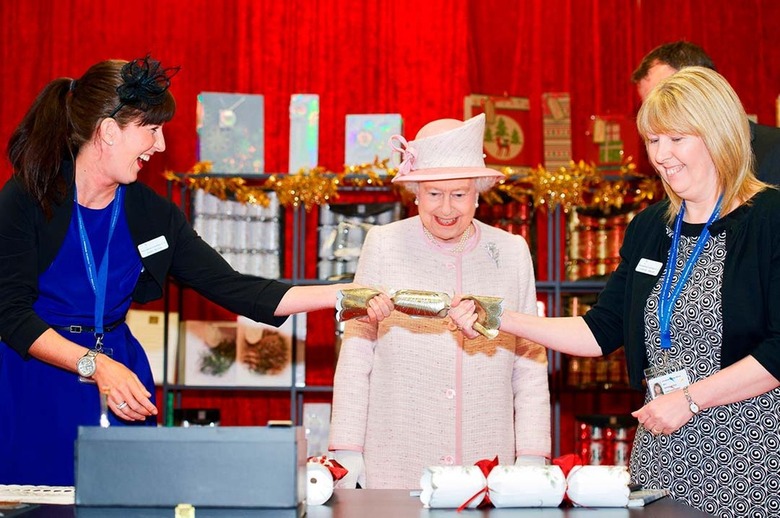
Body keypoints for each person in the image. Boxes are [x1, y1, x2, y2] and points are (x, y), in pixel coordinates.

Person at [0, 55, 392, 487]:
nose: (161, 145)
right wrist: (95, 365)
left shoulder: (153, 215)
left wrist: (343, 293)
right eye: (152, 129)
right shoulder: (27, 197)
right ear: (109, 131)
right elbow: (10, 313)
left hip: (123, 384)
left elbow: (234, 287)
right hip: (36, 377)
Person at [451, 67, 780, 518]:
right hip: (662, 452)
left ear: (718, 135)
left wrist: (690, 399)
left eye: (676, 139)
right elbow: (600, 330)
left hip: (750, 455)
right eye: (653, 140)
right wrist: (499, 317)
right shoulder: (650, 227)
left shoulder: (770, 219)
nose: (661, 155)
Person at [328, 113, 551, 490]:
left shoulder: (512, 251)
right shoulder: (383, 244)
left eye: (459, 195)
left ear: (478, 194)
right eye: (434, 194)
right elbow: (357, 352)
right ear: (415, 193)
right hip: (397, 454)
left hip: (485, 458)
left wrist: (532, 452)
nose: (446, 209)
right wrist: (347, 448)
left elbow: (529, 358)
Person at [632, 40, 780, 186]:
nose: (655, 110)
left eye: (669, 94)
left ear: (705, 87)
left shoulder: (774, 149)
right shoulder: (676, 172)